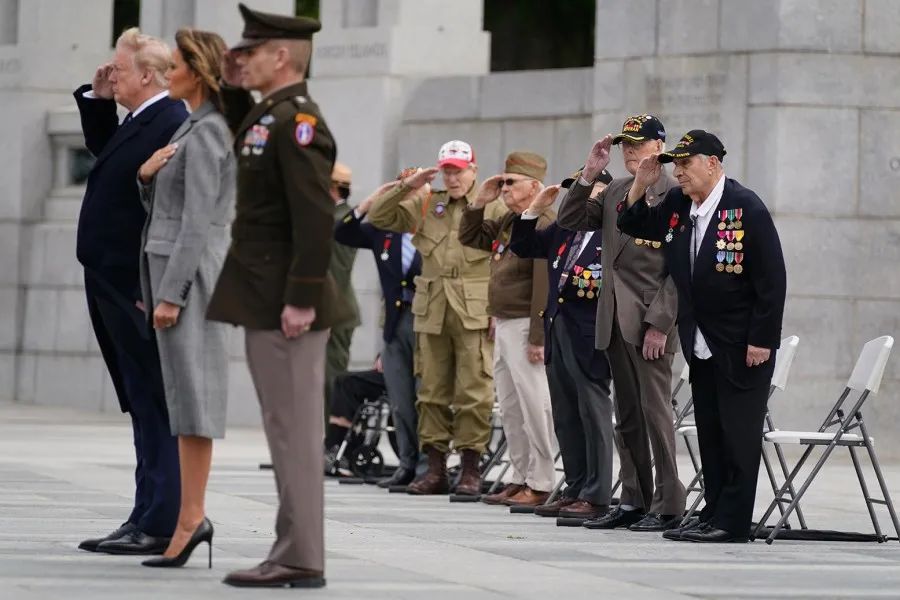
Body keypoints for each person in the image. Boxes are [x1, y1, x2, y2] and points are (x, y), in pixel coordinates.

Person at [205, 3, 350, 588]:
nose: (244, 59)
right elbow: (250, 141)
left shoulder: (299, 121)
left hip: (286, 302)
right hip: (265, 293)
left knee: (294, 436)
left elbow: (314, 217)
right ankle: (292, 549)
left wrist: (302, 298)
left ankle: (300, 556)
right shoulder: (272, 115)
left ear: (282, 56)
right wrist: (230, 84)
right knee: (283, 430)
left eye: (253, 52)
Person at [617, 130, 787, 543]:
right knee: (710, 431)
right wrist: (641, 182)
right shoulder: (679, 204)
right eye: (674, 164)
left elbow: (771, 280)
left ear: (712, 163)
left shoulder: (745, 207)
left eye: (686, 163)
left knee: (738, 434)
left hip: (741, 342)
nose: (678, 172)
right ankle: (712, 513)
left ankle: (733, 522)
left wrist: (762, 339)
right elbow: (632, 222)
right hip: (701, 340)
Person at [74, 27, 187, 556]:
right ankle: (146, 512)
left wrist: (161, 290)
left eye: (118, 69)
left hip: (137, 284)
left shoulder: (171, 121)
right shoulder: (142, 119)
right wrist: (99, 102)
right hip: (113, 281)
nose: (110, 75)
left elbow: (174, 211)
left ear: (147, 75)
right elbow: (109, 159)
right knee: (140, 401)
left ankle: (162, 519)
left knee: (155, 401)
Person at [135, 28, 234, 568]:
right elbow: (171, 209)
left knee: (194, 400)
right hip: (175, 281)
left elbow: (198, 222)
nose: (166, 74)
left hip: (189, 284)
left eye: (174, 66)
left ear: (196, 72)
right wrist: (145, 175)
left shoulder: (209, 132)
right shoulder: (193, 128)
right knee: (183, 399)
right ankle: (189, 517)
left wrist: (171, 294)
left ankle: (192, 519)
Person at [556, 115, 685, 532]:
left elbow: (678, 269)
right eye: (625, 144)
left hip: (650, 321)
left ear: (659, 147)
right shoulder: (614, 189)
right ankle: (634, 499)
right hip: (612, 317)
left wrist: (660, 322)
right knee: (626, 415)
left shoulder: (676, 193)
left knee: (655, 413)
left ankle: (668, 503)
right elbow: (570, 220)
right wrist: (589, 173)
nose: (629, 150)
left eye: (638, 143)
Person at [367, 141, 504, 496]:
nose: (452, 177)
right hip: (433, 308)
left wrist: (498, 307)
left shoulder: (491, 202)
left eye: (459, 170)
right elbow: (379, 217)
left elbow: (509, 257)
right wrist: (407, 186)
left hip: (475, 308)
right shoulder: (429, 202)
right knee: (431, 391)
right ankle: (435, 469)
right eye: (447, 171)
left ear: (473, 170)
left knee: (474, 391)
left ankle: (471, 469)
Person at [508, 169, 616, 521]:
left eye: (590, 190)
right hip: (558, 329)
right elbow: (523, 246)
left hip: (590, 335)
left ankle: (596, 495)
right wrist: (533, 210)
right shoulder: (565, 229)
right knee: (567, 416)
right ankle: (575, 488)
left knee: (593, 414)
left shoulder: (613, 231)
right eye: (575, 191)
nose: (580, 197)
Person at [458, 151, 557, 507]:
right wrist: (478, 202)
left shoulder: (543, 222)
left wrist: (538, 335)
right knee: (512, 408)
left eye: (511, 182)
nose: (504, 189)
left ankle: (541, 481)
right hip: (503, 322)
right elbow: (470, 236)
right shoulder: (508, 221)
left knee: (534, 406)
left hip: (525, 326)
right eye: (502, 182)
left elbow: (543, 283)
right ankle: (520, 476)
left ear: (534, 186)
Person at [334, 174, 423, 488]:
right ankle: (407, 464)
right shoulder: (385, 231)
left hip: (431, 321)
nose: (409, 198)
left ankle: (427, 466)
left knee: (426, 397)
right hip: (397, 323)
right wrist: (369, 203)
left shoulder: (439, 229)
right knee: (399, 398)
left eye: (415, 191)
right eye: (403, 191)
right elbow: (343, 233)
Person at [324, 162, 361, 419]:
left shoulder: (340, 220)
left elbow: (337, 272)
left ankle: (333, 438)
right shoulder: (336, 218)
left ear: (333, 187)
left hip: (333, 313)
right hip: (330, 310)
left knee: (331, 380)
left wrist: (327, 313)